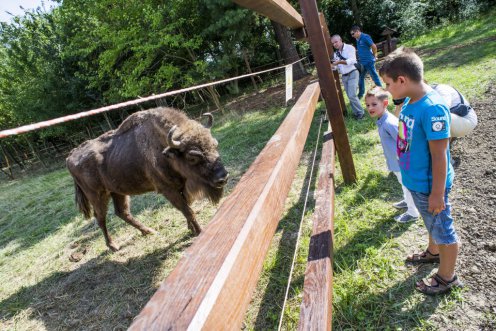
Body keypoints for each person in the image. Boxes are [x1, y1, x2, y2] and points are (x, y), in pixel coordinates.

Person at [379, 48, 463, 295]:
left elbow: (440, 156)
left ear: (402, 80)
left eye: (388, 84)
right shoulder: (408, 101)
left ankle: (447, 277)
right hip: (416, 181)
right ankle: (433, 252)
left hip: (430, 185)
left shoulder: (432, 108)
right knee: (432, 223)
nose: (387, 89)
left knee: (443, 228)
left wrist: (437, 193)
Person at [364, 87, 419, 223]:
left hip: (401, 163)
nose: (370, 107)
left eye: (374, 104)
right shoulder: (382, 120)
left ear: (385, 104)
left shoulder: (389, 123)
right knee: (403, 184)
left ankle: (413, 212)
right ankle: (407, 202)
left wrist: (405, 161)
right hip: (395, 162)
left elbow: (405, 141)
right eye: (367, 105)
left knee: (407, 186)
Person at [393, 83, 478, 138]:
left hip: (467, 120)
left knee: (432, 118)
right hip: (454, 121)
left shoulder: (440, 90)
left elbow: (441, 112)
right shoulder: (419, 98)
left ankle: (446, 159)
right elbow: (397, 124)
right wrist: (399, 106)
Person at [330, 34, 365, 120]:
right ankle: (356, 113)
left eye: (336, 42)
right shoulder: (336, 54)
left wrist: (339, 62)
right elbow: (337, 67)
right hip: (344, 76)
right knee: (350, 96)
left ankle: (361, 113)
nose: (335, 44)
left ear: (341, 40)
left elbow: (352, 61)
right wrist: (332, 67)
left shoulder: (350, 48)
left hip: (353, 72)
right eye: (333, 43)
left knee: (352, 95)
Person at [350, 25, 382, 99]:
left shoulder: (365, 37)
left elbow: (374, 46)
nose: (352, 36)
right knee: (360, 78)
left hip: (369, 62)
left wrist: (375, 56)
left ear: (357, 31)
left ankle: (381, 91)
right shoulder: (357, 39)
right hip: (362, 63)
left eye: (353, 34)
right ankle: (361, 94)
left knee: (374, 77)